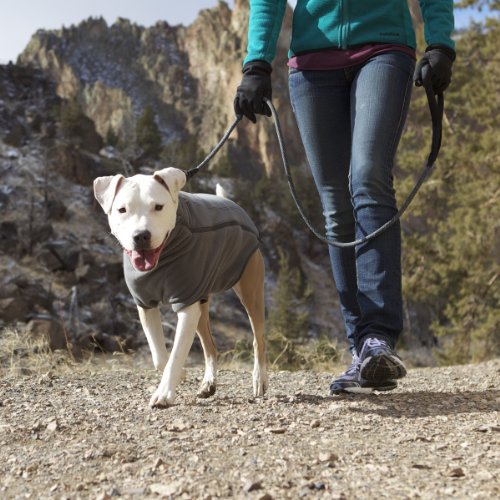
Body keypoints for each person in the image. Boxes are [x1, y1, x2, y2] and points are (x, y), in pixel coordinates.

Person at [234, 0, 455, 393]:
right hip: (312, 63)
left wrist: (440, 44)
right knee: (335, 205)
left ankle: (378, 335)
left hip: (384, 48)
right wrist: (256, 64)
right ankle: (363, 352)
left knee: (368, 176)